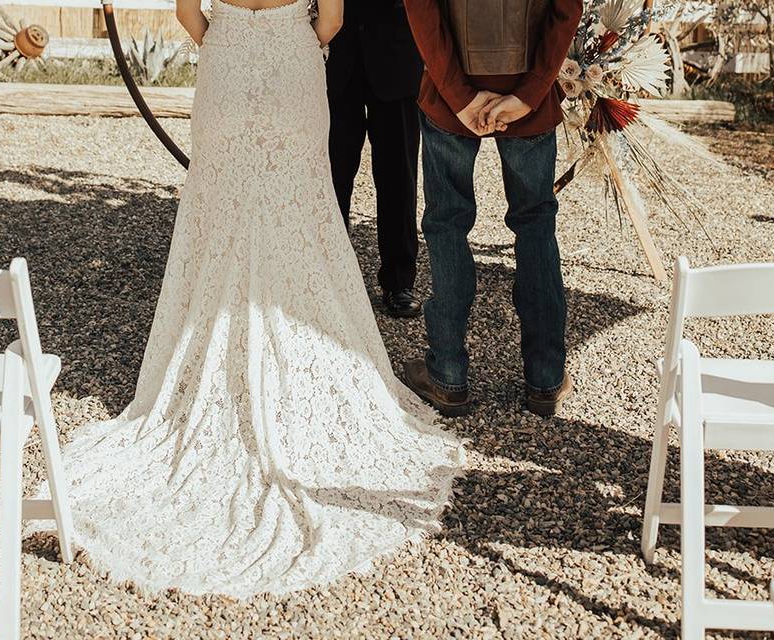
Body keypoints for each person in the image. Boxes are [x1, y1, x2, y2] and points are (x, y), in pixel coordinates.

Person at [41, 0, 463, 599]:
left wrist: (236, 36)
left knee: (218, 219)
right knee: (304, 214)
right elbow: (333, 21)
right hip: (293, 65)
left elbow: (189, 15)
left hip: (229, 66)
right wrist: (288, 35)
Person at [402, 0, 583, 418]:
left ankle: (447, 375)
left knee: (447, 222)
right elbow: (566, 7)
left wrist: (458, 95)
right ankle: (546, 377)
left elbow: (421, 6)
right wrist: (531, 91)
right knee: (535, 224)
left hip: (452, 93)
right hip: (526, 94)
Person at [326, 0, 423, 318]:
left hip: (397, 53)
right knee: (331, 175)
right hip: (336, 58)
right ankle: (328, 276)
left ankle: (399, 282)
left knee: (399, 176)